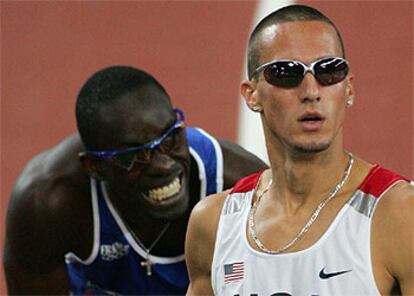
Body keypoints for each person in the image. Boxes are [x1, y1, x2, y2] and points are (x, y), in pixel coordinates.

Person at [185, 4, 413, 296]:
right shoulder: (214, 224)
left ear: (349, 89)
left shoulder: (399, 215)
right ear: (251, 94)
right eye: (285, 73)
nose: (311, 91)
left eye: (329, 71)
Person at [3, 65, 268, 295]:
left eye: (170, 138)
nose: (162, 165)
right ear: (95, 166)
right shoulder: (47, 201)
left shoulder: (241, 187)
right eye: (133, 156)